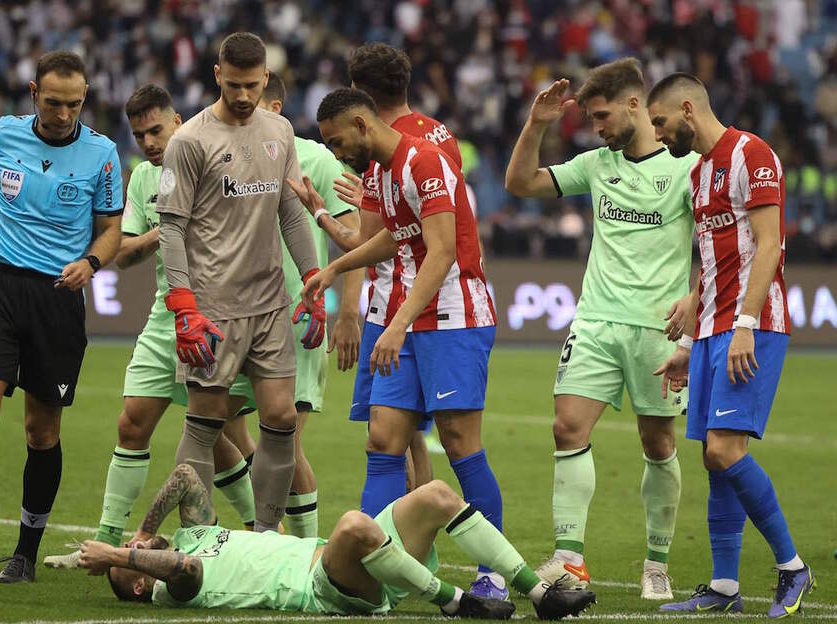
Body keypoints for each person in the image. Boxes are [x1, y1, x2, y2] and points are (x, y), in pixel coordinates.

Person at [294, 43, 504, 600]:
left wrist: (393, 325)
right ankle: (370, 567)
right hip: (404, 318)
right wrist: (332, 267)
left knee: (460, 443)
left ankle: (494, 576)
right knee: (383, 440)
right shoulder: (383, 169)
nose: (337, 154)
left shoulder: (424, 157)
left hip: (452, 314)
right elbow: (389, 237)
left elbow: (440, 252)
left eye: (338, 142)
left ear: (362, 120)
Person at [503, 58, 697, 600]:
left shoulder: (686, 170)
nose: (597, 127)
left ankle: (656, 564)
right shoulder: (596, 164)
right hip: (594, 321)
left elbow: (719, 247)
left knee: (657, 442)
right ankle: (570, 562)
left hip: (657, 328)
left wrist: (694, 299)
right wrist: (536, 124)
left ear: (636, 105)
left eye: (602, 115)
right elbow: (518, 182)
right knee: (567, 427)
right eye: (591, 118)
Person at [42, 85, 257, 570]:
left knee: (215, 432)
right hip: (166, 316)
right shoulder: (141, 177)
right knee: (131, 423)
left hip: (218, 314)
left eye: (156, 130)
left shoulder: (217, 159)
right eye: (140, 134)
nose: (149, 142)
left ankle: (260, 532)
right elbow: (124, 253)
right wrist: (171, 225)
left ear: (179, 120)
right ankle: (103, 545)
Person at [0, 50, 123, 588]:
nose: (65, 114)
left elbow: (111, 227)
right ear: (35, 92)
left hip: (57, 297)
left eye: (76, 103)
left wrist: (91, 262)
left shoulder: (102, 154)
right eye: (55, 102)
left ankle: (23, 555)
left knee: (42, 431)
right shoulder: (2, 135)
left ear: (85, 99)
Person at [648, 72, 814, 617]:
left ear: (688, 110)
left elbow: (770, 246)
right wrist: (694, 326)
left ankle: (793, 569)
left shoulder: (752, 153)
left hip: (754, 325)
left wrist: (743, 322)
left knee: (725, 449)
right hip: (718, 329)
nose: (658, 133)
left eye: (661, 122)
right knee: (713, 459)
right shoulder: (698, 174)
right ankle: (724, 589)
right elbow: (714, 256)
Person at [156, 32, 322, 534]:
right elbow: (171, 227)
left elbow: (291, 212)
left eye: (252, 85)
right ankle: (196, 536)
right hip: (214, 307)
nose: (244, 95)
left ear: (266, 78)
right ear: (217, 76)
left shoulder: (281, 131)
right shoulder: (189, 142)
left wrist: (313, 279)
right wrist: (183, 304)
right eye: (234, 85)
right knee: (206, 422)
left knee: (281, 419)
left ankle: (265, 537)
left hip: (270, 302)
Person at [77, 463, 595, 620]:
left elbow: (187, 476)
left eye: (141, 552)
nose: (140, 552)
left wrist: (141, 529)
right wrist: (123, 557)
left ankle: (539, 595)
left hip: (365, 562)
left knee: (436, 494)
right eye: (137, 567)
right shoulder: (172, 585)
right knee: (353, 524)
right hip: (328, 585)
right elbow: (184, 571)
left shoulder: (193, 531)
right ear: (143, 586)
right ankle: (459, 605)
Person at [219, 73, 361, 539]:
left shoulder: (316, 158)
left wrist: (347, 313)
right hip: (236, 314)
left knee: (286, 443)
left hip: (296, 319)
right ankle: (264, 531)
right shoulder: (233, 157)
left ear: (274, 107)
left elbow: (357, 235)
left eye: (255, 103)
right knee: (212, 424)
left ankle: (303, 552)